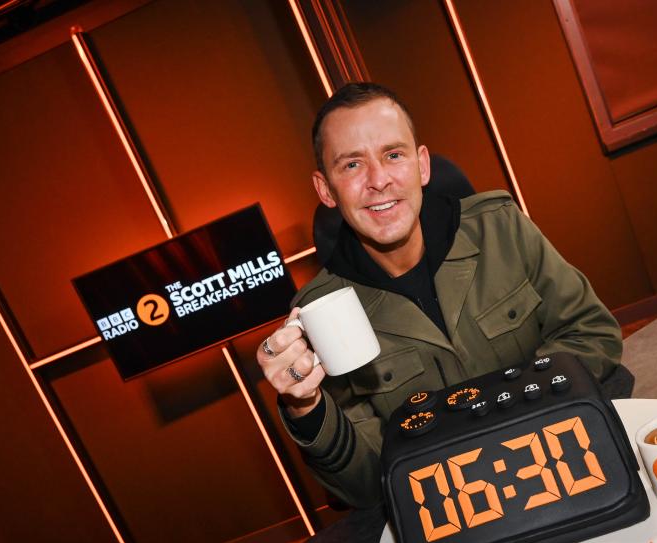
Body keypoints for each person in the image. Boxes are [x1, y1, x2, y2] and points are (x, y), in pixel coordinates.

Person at [256, 83, 622, 508]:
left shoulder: (500, 226)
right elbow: (367, 482)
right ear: (326, 190)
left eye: (393, 155)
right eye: (352, 165)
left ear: (422, 165)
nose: (379, 180)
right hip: (452, 510)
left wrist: (509, 428)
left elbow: (592, 333)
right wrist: (306, 407)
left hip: (570, 464)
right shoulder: (317, 313)